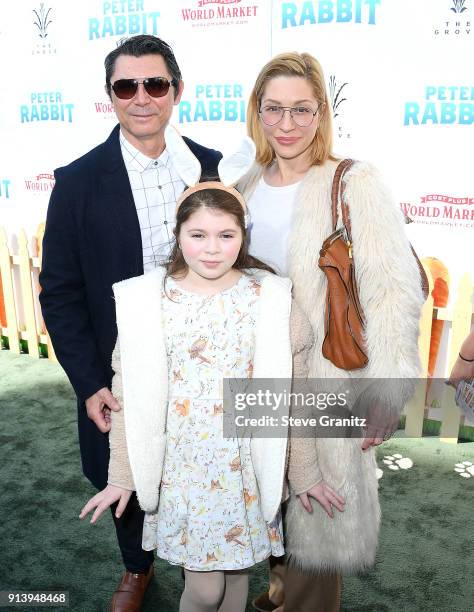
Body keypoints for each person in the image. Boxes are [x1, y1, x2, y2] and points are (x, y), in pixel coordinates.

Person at [39, 35, 221, 612]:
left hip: (202, 358)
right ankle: (136, 567)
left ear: (176, 91)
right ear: (110, 97)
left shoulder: (210, 167)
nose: (141, 98)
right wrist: (91, 381)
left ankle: (209, 561)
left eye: (155, 84)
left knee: (206, 460)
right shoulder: (76, 182)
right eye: (126, 86)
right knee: (123, 469)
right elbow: (61, 293)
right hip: (120, 364)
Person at [237, 52, 425, 612]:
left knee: (317, 528)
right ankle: (276, 598)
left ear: (321, 113)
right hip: (262, 378)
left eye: (301, 109)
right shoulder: (242, 186)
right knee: (273, 511)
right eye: (275, 109)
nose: (287, 124)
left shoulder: (353, 181)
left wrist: (385, 394)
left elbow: (394, 292)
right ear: (258, 113)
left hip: (329, 382)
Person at [79, 177, 314, 612]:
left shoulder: (270, 297)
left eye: (226, 235)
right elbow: (131, 394)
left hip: (245, 466)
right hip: (186, 469)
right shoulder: (148, 301)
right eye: (198, 235)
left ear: (243, 236)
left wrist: (305, 473)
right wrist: (122, 475)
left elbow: (290, 397)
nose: (212, 248)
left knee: (237, 577)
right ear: (178, 235)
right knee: (206, 590)